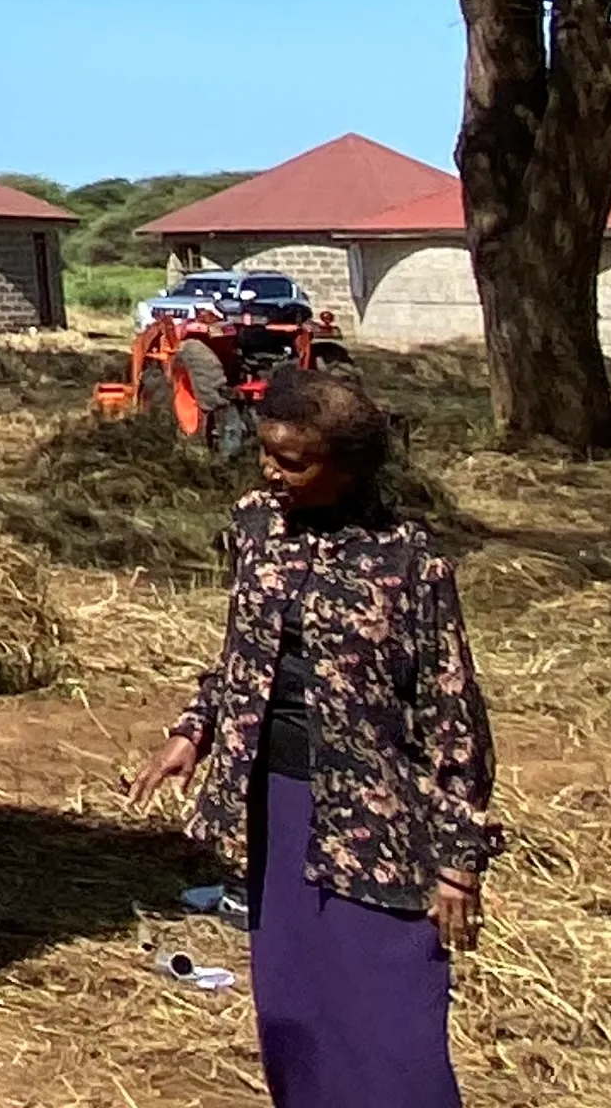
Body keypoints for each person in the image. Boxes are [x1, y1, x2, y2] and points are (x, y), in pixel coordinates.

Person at [135, 366, 494, 1108]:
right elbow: (243, 653)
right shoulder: (257, 526)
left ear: (350, 466)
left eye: (293, 460)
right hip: (281, 801)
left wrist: (459, 862)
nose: (272, 470)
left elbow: (453, 710)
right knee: (293, 1013)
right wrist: (193, 731)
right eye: (266, 453)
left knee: (386, 1017)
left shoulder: (409, 562)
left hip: (377, 823)